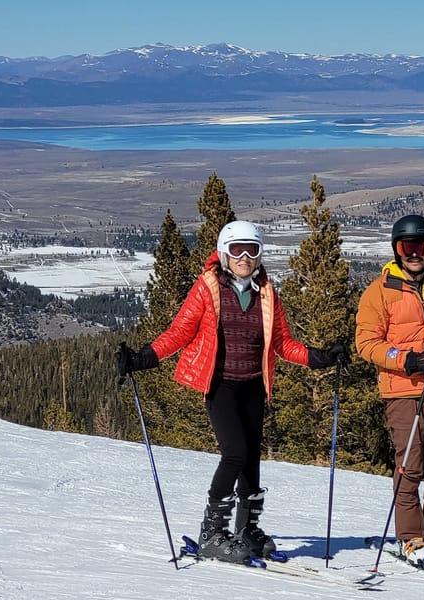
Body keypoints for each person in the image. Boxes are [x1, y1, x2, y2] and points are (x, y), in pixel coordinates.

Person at [117, 220, 348, 563]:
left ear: (259, 255)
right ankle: (211, 532)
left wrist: (321, 358)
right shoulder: (208, 287)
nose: (244, 256)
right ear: (224, 253)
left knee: (251, 457)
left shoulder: (266, 292)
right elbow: (180, 332)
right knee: (235, 453)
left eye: (251, 250)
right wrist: (143, 358)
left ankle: (247, 529)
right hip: (220, 383)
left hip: (254, 384)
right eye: (236, 250)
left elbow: (283, 343)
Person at [355, 214, 424, 569]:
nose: (414, 254)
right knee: (411, 466)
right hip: (402, 392)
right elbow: (367, 343)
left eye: (421, 247)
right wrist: (409, 360)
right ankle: (411, 536)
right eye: (408, 247)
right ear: (397, 249)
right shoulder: (380, 292)